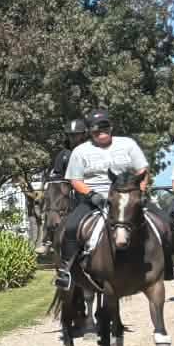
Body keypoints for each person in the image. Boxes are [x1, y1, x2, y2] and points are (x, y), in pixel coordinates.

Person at [55, 108, 149, 289]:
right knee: (71, 227)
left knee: (163, 221)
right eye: (96, 129)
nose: (101, 132)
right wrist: (92, 195)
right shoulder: (80, 151)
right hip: (93, 199)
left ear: (111, 127)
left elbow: (142, 171)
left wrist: (139, 192)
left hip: (128, 198)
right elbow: (75, 180)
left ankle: (173, 265)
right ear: (90, 131)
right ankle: (65, 271)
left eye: (104, 127)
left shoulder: (128, 144)